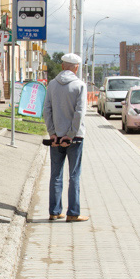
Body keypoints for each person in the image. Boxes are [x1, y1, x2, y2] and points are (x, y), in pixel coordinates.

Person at [44, 53, 88, 222]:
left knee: (55, 174)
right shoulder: (79, 86)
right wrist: (70, 134)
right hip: (74, 138)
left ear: (62, 66)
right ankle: (73, 213)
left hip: (56, 138)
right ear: (76, 68)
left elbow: (46, 110)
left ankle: (54, 212)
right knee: (74, 175)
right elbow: (79, 113)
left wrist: (53, 132)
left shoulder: (52, 85)